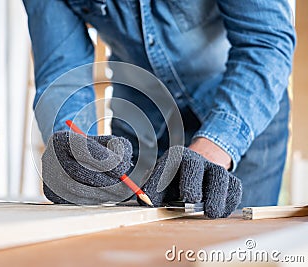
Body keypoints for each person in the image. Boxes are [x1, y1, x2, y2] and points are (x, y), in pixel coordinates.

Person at [23, 0, 296, 218]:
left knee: (235, 249)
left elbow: (265, 42)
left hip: (241, 114)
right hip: (141, 121)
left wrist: (216, 145)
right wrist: (76, 149)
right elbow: (62, 70)